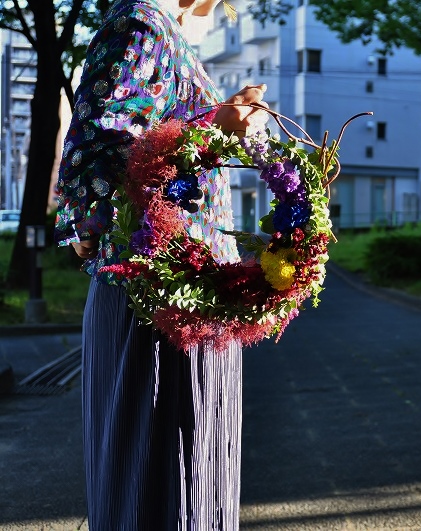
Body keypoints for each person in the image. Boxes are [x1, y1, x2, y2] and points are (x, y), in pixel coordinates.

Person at [54, 0, 268, 527]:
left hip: (182, 293)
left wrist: (216, 128)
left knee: (185, 474)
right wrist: (214, 129)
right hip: (156, 296)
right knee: (162, 477)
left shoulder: (165, 32)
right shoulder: (141, 23)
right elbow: (97, 151)